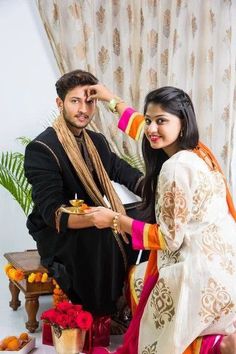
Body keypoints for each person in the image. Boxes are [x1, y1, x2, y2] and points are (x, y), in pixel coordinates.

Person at [85, 84, 236, 353]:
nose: (152, 129)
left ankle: (218, 346)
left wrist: (114, 220)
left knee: (139, 282)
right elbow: (145, 131)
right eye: (149, 120)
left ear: (183, 122)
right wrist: (111, 101)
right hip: (227, 272)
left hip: (197, 276)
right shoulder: (199, 152)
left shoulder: (175, 168)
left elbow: (168, 239)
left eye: (161, 121)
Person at [24, 70, 148, 330]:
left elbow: (124, 172)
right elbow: (53, 213)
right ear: (60, 104)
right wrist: (101, 218)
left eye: (89, 101)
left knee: (149, 214)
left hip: (96, 217)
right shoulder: (42, 149)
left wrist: (158, 191)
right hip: (56, 230)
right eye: (75, 101)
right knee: (104, 230)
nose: (83, 109)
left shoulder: (97, 142)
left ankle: (138, 298)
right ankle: (103, 310)